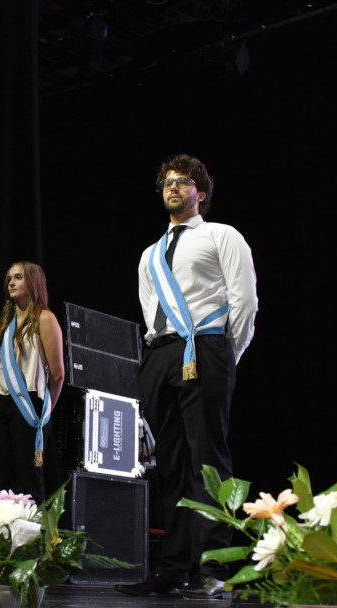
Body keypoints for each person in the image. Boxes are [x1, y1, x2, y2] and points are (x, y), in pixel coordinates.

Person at [116, 154, 258, 600]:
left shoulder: (221, 235)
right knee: (170, 465)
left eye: (184, 182)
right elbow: (147, 310)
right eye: (168, 182)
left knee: (208, 460)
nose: (174, 188)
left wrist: (225, 354)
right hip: (159, 354)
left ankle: (216, 567)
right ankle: (173, 567)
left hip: (206, 349)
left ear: (201, 192)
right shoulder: (149, 254)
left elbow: (245, 301)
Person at [0, 262, 65, 503]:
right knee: (2, 482)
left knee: (28, 481)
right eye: (9, 278)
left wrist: (45, 412)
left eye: (18, 277)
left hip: (28, 405)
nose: (11, 282)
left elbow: (58, 374)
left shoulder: (45, 319)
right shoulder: (2, 326)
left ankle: (32, 537)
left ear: (33, 282)